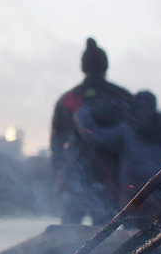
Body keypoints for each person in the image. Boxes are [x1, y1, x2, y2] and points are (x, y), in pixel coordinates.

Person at [74, 91, 161, 226]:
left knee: (137, 240)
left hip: (137, 201)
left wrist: (82, 114)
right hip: (149, 201)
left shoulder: (128, 130)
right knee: (160, 237)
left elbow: (96, 136)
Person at [50, 38, 133, 225]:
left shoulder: (68, 99)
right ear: (106, 66)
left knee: (68, 233)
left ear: (83, 66)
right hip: (110, 175)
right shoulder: (122, 96)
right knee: (105, 233)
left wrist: (57, 172)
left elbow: (56, 142)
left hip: (75, 173)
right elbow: (134, 138)